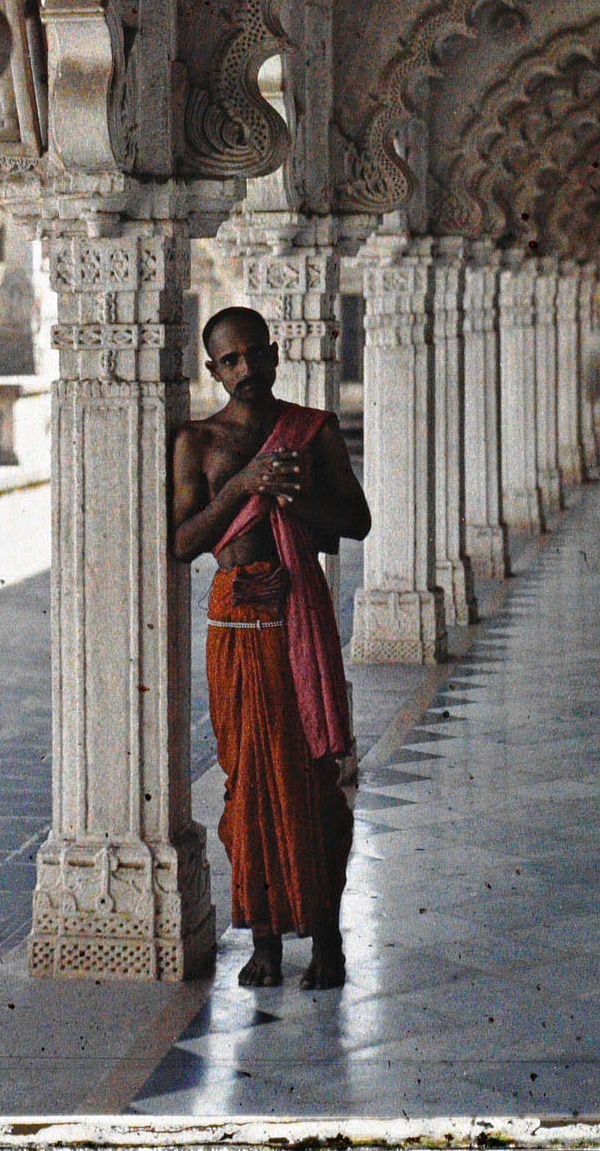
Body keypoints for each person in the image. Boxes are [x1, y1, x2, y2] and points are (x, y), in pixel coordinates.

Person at [171, 306, 371, 989]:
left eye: (255, 354)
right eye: (229, 360)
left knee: (311, 779)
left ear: (275, 354)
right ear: (213, 370)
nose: (245, 369)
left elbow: (356, 521)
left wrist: (293, 502)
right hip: (235, 622)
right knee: (247, 783)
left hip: (295, 616)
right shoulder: (197, 440)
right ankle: (262, 940)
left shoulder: (310, 433)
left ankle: (325, 939)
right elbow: (181, 542)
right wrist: (242, 487)